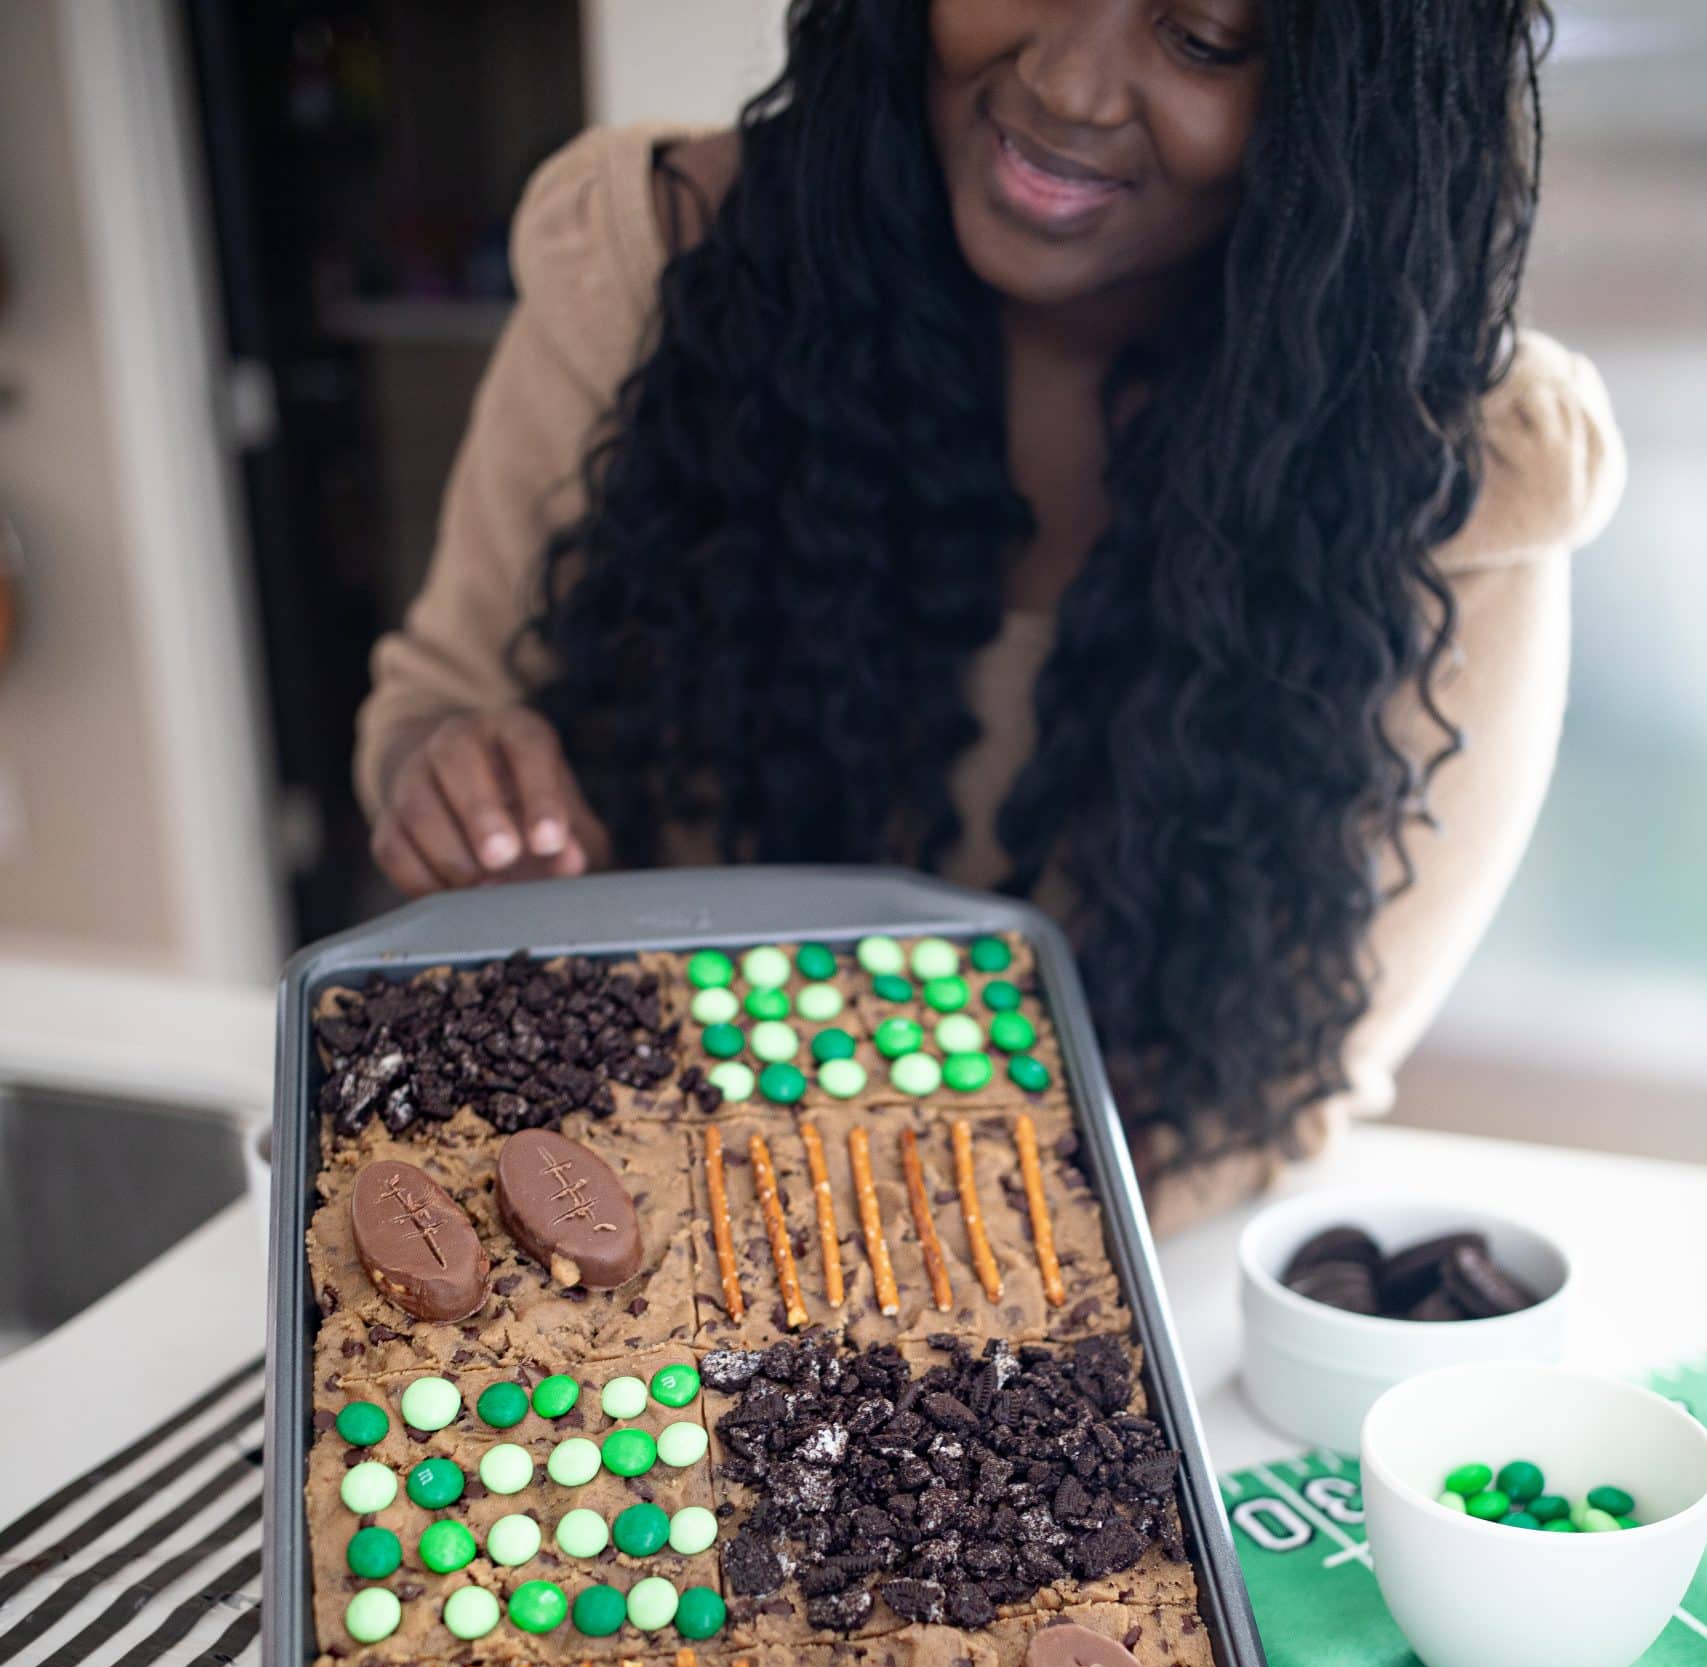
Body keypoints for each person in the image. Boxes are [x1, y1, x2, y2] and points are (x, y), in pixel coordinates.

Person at [355, 0, 1623, 1235]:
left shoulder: (1449, 470)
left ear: (1345, 118)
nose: (1068, 86)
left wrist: (906, 1254)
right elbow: (432, 701)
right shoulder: (655, 254)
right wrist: (456, 781)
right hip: (617, 1213)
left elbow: (1286, 1074)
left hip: (1069, 1283)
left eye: (1201, 40)